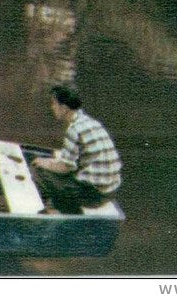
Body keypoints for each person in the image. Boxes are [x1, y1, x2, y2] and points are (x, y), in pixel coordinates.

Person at [31, 85, 121, 214]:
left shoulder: (74, 129)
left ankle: (64, 210)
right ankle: (58, 205)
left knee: (38, 170)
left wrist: (44, 163)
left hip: (94, 196)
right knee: (54, 164)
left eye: (54, 103)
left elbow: (65, 167)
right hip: (110, 191)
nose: (52, 107)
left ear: (64, 108)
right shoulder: (92, 122)